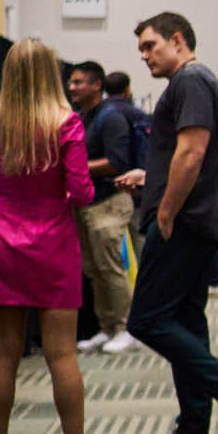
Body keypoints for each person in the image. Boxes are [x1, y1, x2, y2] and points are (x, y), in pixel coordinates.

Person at [122, 13, 218, 434]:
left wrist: (164, 208)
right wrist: (153, 178)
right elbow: (187, 155)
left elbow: (193, 150)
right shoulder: (196, 83)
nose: (144, 56)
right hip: (194, 219)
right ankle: (193, 428)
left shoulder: (191, 81)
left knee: (145, 319)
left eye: (150, 46)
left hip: (183, 222)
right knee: (184, 321)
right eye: (141, 49)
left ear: (178, 40)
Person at [0, 39, 92, 434]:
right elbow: (81, 193)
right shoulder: (66, 123)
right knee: (62, 354)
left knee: (2, 354)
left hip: (1, 238)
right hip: (53, 243)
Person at [66, 62, 142, 355]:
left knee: (110, 267)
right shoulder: (83, 117)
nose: (72, 88)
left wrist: (75, 168)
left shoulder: (110, 118)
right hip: (87, 202)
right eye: (71, 83)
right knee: (94, 269)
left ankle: (127, 328)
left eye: (78, 82)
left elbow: (117, 161)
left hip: (110, 201)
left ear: (97, 85)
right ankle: (108, 327)